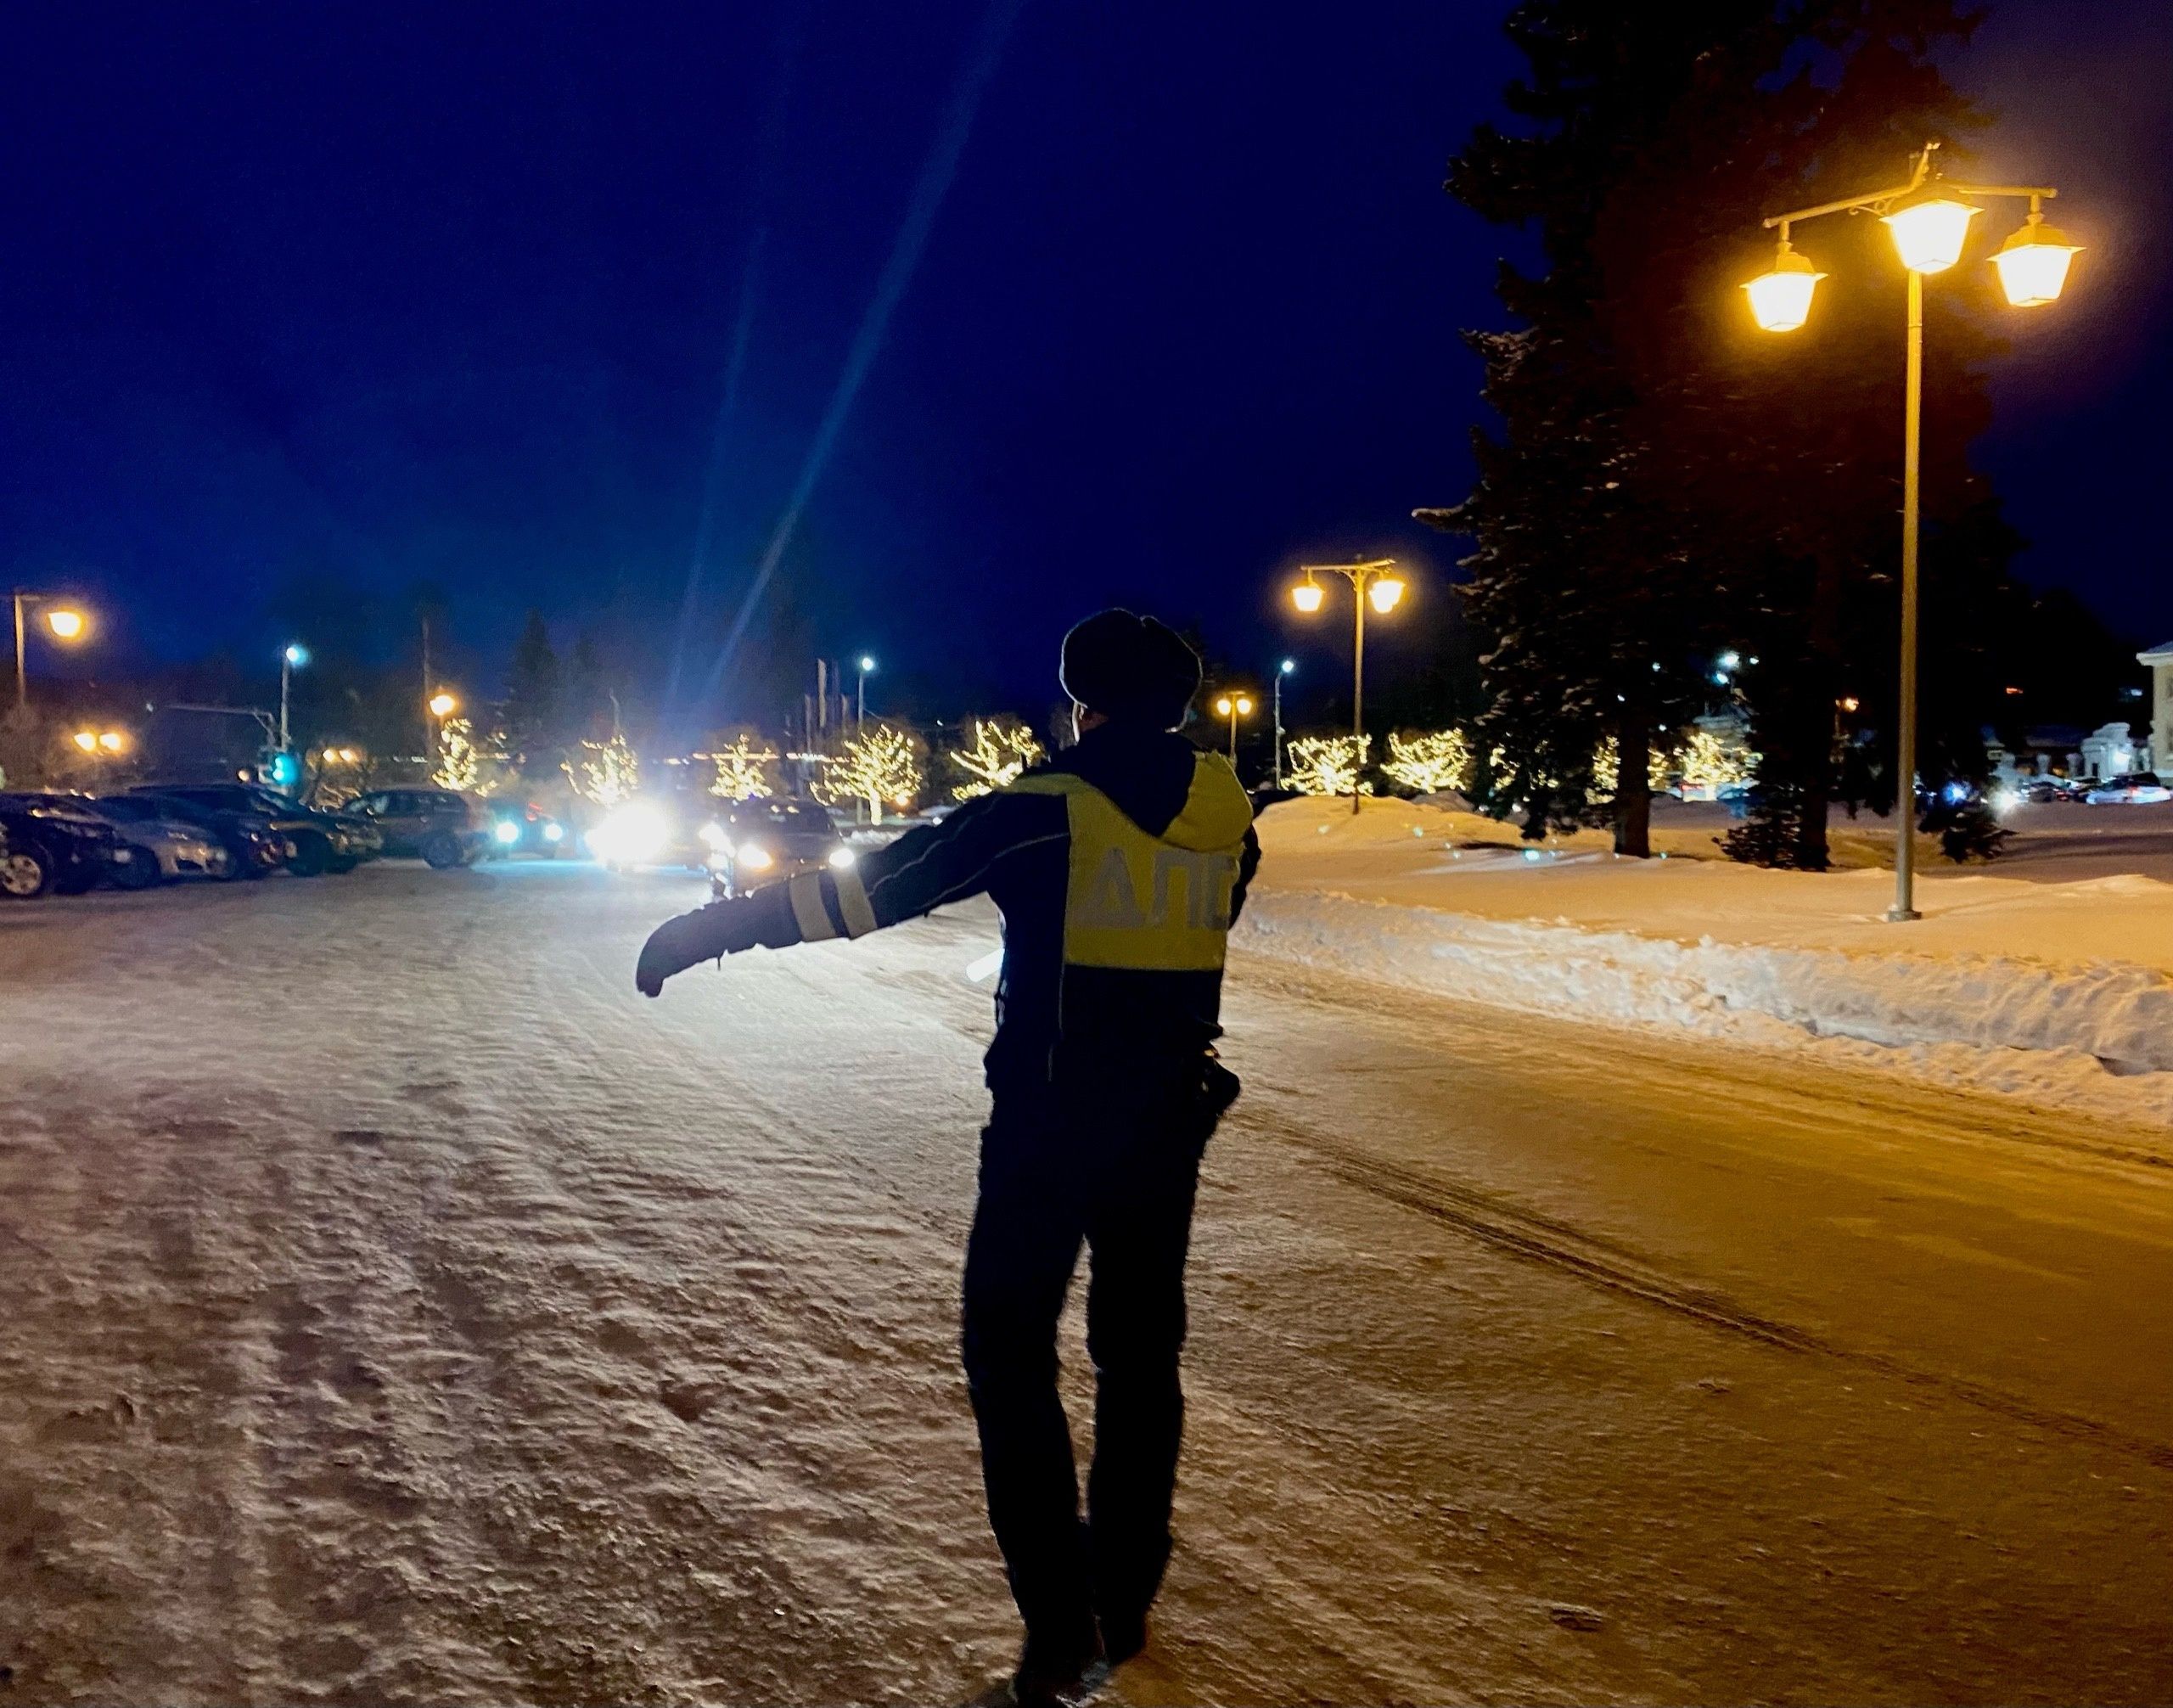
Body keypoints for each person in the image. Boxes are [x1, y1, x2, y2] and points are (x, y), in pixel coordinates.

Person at [636, 611, 1260, 1705]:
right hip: (1168, 1118)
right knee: (1139, 1357)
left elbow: (867, 890)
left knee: (1010, 1355)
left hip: (1049, 1122)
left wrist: (711, 929)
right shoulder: (1230, 818)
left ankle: (1059, 1627)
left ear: (1084, 701)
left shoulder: (1040, 813)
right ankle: (1124, 1597)